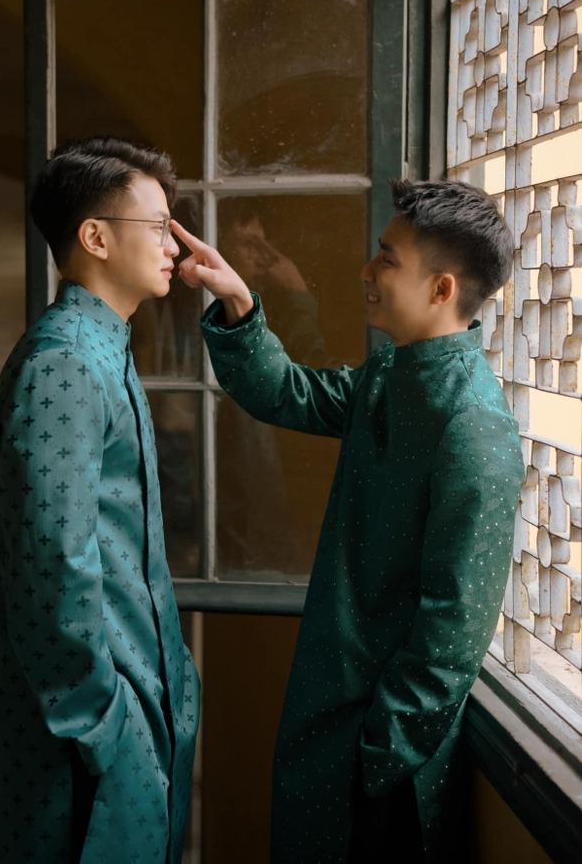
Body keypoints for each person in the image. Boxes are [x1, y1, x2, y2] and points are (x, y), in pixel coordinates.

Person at [171, 179, 524, 862]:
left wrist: (380, 751)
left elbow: (455, 627)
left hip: (383, 759)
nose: (367, 270)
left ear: (441, 289)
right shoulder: (392, 377)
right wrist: (237, 299)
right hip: (332, 718)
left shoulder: (475, 427)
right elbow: (287, 392)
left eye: (387, 259)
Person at [0, 137, 200, 864]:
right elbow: (51, 561)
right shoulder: (65, 361)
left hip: (138, 697)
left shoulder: (101, 346)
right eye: (158, 225)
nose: (174, 245)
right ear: (96, 238)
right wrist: (103, 722)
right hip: (92, 729)